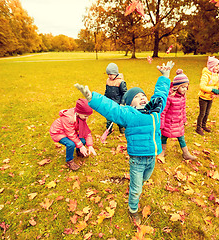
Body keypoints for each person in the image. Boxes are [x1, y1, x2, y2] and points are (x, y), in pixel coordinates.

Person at [74, 61, 174, 225]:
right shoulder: (129, 115)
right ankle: (133, 209)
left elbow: (160, 95)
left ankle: (137, 185)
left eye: (143, 95)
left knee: (144, 179)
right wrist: (93, 98)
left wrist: (165, 77)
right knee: (136, 189)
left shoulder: (155, 111)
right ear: (130, 105)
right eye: (136, 97)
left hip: (152, 159)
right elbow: (112, 109)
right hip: (137, 160)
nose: (141, 97)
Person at [159, 69, 197, 161]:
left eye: (186, 87)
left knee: (181, 137)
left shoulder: (182, 97)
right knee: (164, 136)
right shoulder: (170, 98)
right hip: (169, 122)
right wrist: (161, 123)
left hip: (178, 122)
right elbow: (163, 111)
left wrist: (184, 119)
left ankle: (186, 153)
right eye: (183, 87)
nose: (185, 89)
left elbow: (183, 109)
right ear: (176, 87)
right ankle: (162, 151)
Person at [49, 99, 97, 171]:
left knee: (82, 140)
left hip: (69, 132)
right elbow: (70, 134)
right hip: (58, 132)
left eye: (88, 116)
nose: (86, 118)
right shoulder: (68, 118)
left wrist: (90, 145)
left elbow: (86, 132)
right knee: (70, 144)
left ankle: (79, 151)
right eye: (85, 116)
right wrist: (80, 146)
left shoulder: (81, 117)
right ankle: (69, 161)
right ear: (78, 112)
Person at [196, 56, 219, 136]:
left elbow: (218, 85)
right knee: (202, 113)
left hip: (210, 97)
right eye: (216, 66)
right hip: (203, 97)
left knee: (207, 113)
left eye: (218, 66)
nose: (217, 68)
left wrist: (218, 91)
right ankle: (198, 128)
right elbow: (202, 86)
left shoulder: (217, 75)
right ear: (211, 66)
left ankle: (204, 126)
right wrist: (212, 90)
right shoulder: (206, 75)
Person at [104, 63, 127, 135]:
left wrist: (122, 103)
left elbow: (124, 93)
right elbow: (107, 91)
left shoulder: (121, 82)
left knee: (118, 116)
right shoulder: (108, 80)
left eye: (111, 74)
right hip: (109, 102)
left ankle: (121, 127)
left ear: (115, 73)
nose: (109, 76)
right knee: (109, 116)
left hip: (117, 103)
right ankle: (108, 129)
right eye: (108, 74)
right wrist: (104, 98)